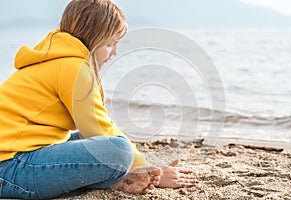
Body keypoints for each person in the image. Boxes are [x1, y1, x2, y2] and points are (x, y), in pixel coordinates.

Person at [0, 0, 196, 199]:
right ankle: (122, 177)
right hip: (9, 168)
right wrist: (152, 171)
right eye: (110, 44)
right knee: (119, 150)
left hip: (20, 156)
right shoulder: (73, 68)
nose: (115, 52)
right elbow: (99, 128)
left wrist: (144, 165)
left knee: (92, 141)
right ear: (94, 38)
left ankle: (119, 177)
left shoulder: (57, 58)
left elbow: (98, 129)